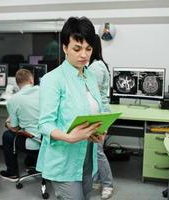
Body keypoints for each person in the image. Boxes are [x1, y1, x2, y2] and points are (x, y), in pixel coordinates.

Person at [36, 16, 106, 200]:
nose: (84, 54)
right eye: (77, 48)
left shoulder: (90, 76)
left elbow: (96, 109)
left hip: (87, 155)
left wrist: (101, 129)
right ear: (65, 47)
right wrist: (69, 137)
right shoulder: (53, 79)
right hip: (63, 159)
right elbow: (44, 124)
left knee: (87, 195)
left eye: (88, 49)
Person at [0, 69, 41, 181]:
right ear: (31, 80)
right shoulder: (43, 91)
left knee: (7, 135)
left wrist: (7, 123)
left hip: (34, 142)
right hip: (50, 140)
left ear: (17, 84)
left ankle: (12, 172)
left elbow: (14, 127)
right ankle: (34, 163)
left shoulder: (13, 100)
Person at [88, 34, 114, 199]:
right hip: (96, 113)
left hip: (99, 115)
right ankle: (97, 180)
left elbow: (91, 91)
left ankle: (108, 185)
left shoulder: (96, 67)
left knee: (97, 152)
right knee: (93, 151)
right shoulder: (95, 65)